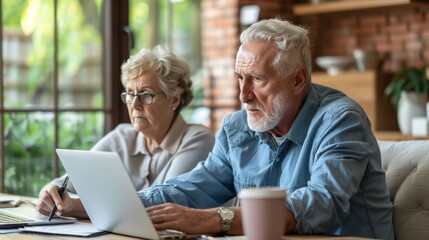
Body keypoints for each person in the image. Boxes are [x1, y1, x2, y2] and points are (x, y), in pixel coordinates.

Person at [38, 18, 395, 240]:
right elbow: (189, 190)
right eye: (240, 78)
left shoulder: (340, 120)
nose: (243, 95)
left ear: (298, 79)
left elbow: (322, 203)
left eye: (256, 79)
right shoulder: (238, 128)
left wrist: (216, 220)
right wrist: (85, 206)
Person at [36, 46, 215, 218]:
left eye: (146, 94)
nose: (134, 105)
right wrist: (51, 192)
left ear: (174, 100)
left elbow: (165, 204)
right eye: (130, 94)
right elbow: (71, 180)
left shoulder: (198, 140)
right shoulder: (122, 137)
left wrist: (74, 206)